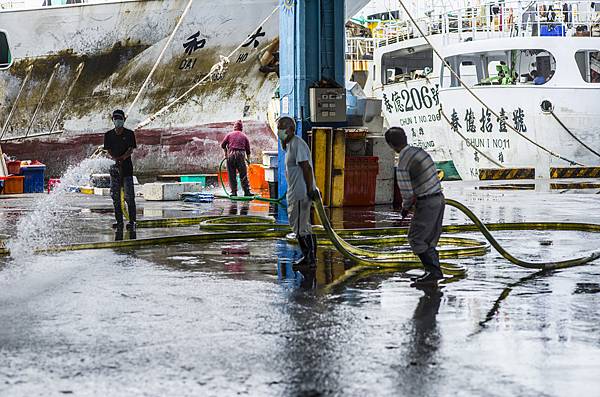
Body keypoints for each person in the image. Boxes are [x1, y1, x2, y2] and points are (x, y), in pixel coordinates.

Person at [385, 127, 445, 287]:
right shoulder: (420, 152)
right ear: (405, 137)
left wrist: (404, 211)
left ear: (391, 145)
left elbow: (408, 194)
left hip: (426, 203)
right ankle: (433, 272)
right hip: (439, 198)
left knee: (416, 238)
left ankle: (433, 273)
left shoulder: (403, 163)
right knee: (430, 239)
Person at [277, 116, 319, 267]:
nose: (279, 131)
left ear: (290, 129)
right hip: (294, 191)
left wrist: (310, 190)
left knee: (300, 226)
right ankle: (310, 257)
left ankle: (309, 259)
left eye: (282, 128)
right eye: (279, 128)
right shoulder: (289, 144)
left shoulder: (297, 144)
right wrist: (283, 140)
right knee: (302, 225)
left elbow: (306, 167)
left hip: (301, 192)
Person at [104, 109, 137, 230]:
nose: (118, 121)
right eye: (116, 119)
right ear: (112, 120)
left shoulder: (129, 134)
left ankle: (132, 221)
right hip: (114, 170)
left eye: (120, 119)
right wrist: (114, 159)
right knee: (116, 197)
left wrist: (122, 158)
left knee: (129, 196)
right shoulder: (108, 135)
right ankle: (119, 221)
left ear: (124, 119)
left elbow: (131, 149)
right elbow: (108, 151)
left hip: (127, 169)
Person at [221, 120, 252, 197]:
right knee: (243, 174)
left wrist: (225, 154)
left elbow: (223, 145)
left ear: (234, 127)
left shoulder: (229, 135)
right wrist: (248, 160)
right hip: (240, 155)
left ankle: (234, 192)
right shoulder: (244, 136)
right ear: (241, 128)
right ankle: (247, 192)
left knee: (231, 175)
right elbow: (248, 150)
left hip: (230, 155)